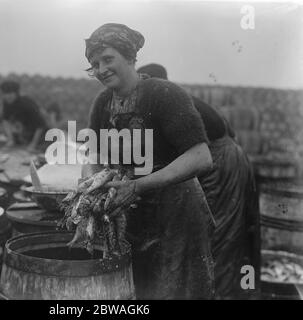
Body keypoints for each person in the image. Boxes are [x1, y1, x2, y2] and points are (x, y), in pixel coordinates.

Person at [82, 23, 216, 299]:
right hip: (132, 211)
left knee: (175, 289)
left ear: (129, 57)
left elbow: (201, 157)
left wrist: (138, 186)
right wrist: (90, 182)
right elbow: (94, 153)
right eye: (94, 64)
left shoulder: (164, 94)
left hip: (176, 210)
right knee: (137, 290)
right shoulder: (102, 103)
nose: (101, 69)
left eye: (108, 59)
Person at [137, 63, 260, 299]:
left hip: (222, 162)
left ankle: (218, 294)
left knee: (216, 235)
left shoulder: (171, 104)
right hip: (218, 158)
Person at [0, 80, 48, 152]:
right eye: (5, 94)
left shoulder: (26, 103)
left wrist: (33, 144)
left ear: (16, 93)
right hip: (26, 134)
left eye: (10, 94)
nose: (7, 96)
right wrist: (10, 140)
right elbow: (5, 120)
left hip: (43, 136)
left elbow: (40, 125)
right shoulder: (6, 102)